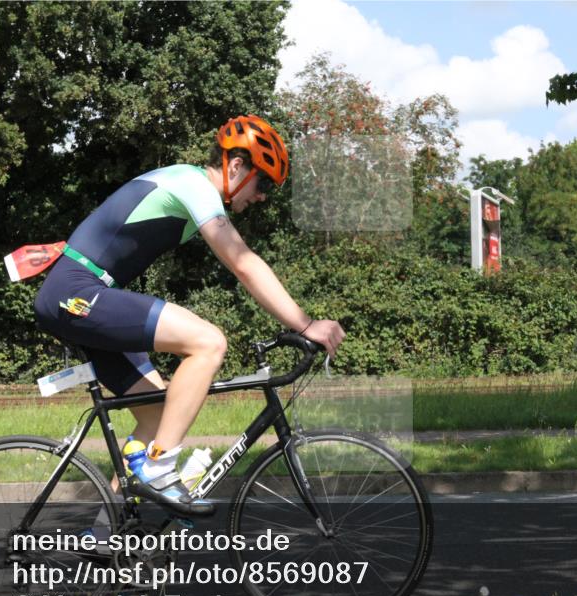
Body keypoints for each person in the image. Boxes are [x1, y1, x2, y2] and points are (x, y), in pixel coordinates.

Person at [34, 115, 345, 517]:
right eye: (263, 182)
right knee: (208, 342)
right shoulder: (194, 184)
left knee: (158, 416)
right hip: (76, 293)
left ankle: (105, 533)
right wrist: (304, 324)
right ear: (236, 166)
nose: (264, 195)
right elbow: (243, 263)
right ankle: (161, 469)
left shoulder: (191, 187)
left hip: (86, 294)